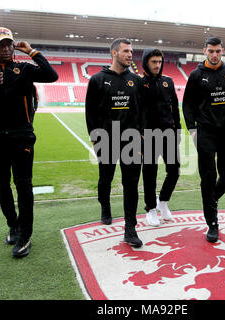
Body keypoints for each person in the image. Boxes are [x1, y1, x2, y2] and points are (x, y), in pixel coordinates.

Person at [0, 27, 58, 257]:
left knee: (24, 187)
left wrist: (31, 52)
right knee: (1, 186)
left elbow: (51, 75)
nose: (6, 48)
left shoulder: (25, 69)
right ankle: (13, 224)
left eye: (9, 44)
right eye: (1, 45)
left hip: (22, 138)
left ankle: (25, 235)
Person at [183, 36, 225, 243]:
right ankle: (213, 224)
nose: (214, 54)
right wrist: (192, 130)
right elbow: (188, 104)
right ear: (205, 51)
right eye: (211, 51)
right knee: (208, 178)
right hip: (205, 133)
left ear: (222, 51)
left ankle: (210, 201)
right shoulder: (196, 75)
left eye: (217, 51)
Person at [85, 38, 144, 247]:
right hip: (106, 139)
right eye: (126, 51)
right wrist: (95, 137)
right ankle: (105, 206)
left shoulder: (136, 80)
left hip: (131, 141)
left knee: (131, 185)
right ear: (114, 53)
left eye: (131, 51)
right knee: (105, 179)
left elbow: (141, 111)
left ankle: (130, 229)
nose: (130, 55)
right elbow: (90, 113)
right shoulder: (97, 80)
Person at [140, 48, 180, 226]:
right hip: (148, 135)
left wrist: (177, 130)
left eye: (159, 62)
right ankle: (150, 209)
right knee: (150, 173)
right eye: (153, 62)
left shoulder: (168, 82)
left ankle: (162, 201)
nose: (157, 65)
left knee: (174, 170)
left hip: (169, 133)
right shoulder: (140, 84)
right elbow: (136, 111)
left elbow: (175, 108)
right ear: (146, 63)